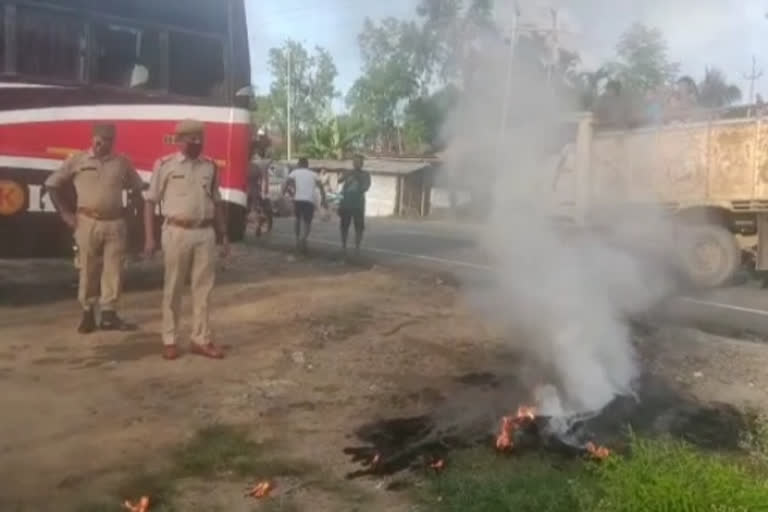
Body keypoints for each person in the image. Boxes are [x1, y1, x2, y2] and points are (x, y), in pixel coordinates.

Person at [45, 123, 144, 333]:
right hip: (87, 222)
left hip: (115, 223)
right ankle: (88, 313)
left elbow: (137, 187)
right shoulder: (78, 160)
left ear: (112, 142)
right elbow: (52, 184)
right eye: (98, 139)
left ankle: (109, 314)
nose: (101, 144)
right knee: (88, 267)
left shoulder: (122, 162)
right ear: (92, 139)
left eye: (106, 140)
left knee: (114, 269)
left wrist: (131, 212)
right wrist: (65, 213)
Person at [143, 119, 229, 361]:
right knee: (174, 288)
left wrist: (224, 235)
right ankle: (169, 339)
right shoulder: (164, 165)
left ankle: (200, 339)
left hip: (205, 233)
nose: (197, 144)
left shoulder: (210, 166)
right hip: (176, 232)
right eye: (191, 140)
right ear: (179, 140)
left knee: (204, 289)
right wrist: (149, 238)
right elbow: (150, 201)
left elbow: (217, 201)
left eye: (200, 139)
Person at [283, 157, 326, 254]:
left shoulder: (295, 172)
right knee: (307, 222)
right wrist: (324, 199)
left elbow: (287, 182)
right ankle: (304, 238)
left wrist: (284, 192)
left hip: (298, 200)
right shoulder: (313, 174)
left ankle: (298, 240)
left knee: (297, 220)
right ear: (307, 165)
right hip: (309, 201)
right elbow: (321, 187)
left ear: (299, 164)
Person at [338, 154, 371, 257]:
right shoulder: (348, 172)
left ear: (362, 164)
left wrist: (357, 177)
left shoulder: (365, 174)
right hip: (346, 204)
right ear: (352, 163)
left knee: (359, 228)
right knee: (344, 227)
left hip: (358, 205)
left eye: (359, 162)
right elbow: (339, 181)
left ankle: (357, 248)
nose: (357, 163)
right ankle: (343, 247)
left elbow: (365, 188)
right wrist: (346, 175)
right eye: (355, 161)